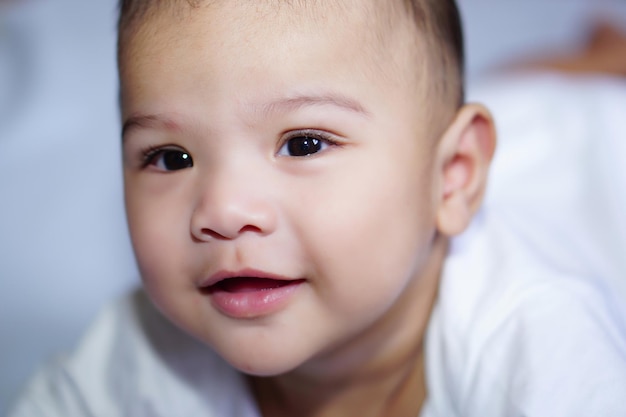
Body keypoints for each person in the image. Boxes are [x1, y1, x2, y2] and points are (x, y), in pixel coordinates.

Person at [9, 1, 626, 416]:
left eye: (303, 144)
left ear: (452, 180)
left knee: (555, 103)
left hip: (591, 157)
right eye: (171, 157)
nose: (221, 210)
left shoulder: (533, 333)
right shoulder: (150, 347)